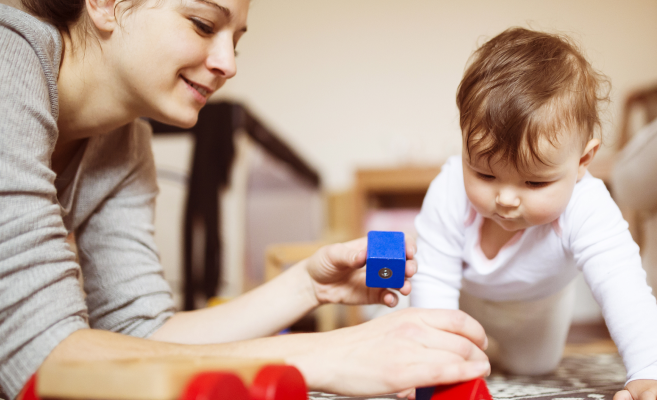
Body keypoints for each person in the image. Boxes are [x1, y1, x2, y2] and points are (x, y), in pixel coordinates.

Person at [0, 0, 491, 398]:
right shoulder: (8, 57)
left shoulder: (126, 144)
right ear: (106, 3)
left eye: (235, 41)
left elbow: (138, 336)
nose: (228, 64)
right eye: (202, 24)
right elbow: (43, 357)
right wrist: (325, 354)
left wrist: (307, 288)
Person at [410, 28, 657, 400]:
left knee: (533, 367)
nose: (506, 199)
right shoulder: (449, 188)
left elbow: (623, 286)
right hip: (463, 297)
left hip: (537, 307)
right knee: (432, 338)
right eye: (484, 174)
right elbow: (434, 279)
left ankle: (498, 351)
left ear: (582, 161)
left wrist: (655, 371)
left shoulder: (587, 204)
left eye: (534, 183)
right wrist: (430, 363)